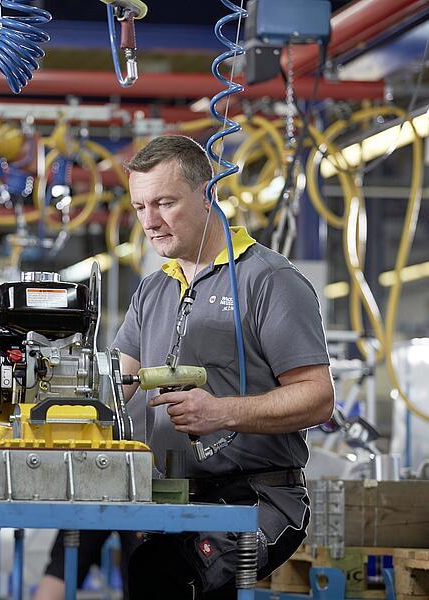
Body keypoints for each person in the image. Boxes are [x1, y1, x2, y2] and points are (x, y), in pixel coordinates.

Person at [110, 134, 333, 599]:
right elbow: (113, 384)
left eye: (165, 203)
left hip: (257, 499)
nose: (150, 222)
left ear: (209, 193)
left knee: (162, 576)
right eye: (139, 207)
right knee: (141, 568)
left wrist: (221, 413)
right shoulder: (152, 291)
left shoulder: (268, 280)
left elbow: (318, 396)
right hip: (176, 499)